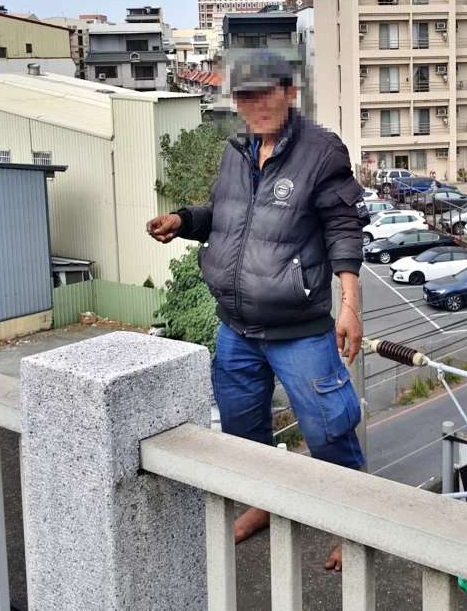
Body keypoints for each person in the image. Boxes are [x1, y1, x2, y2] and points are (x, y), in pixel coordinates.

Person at [146, 53, 365, 572]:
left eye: (267, 93)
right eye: (246, 96)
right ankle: (262, 503)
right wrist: (184, 219)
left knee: (329, 432)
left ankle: (355, 526)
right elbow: (226, 218)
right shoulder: (236, 151)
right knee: (244, 433)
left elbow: (344, 229)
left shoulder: (321, 151)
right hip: (236, 328)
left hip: (301, 331)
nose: (257, 105)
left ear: (289, 93)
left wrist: (350, 305)